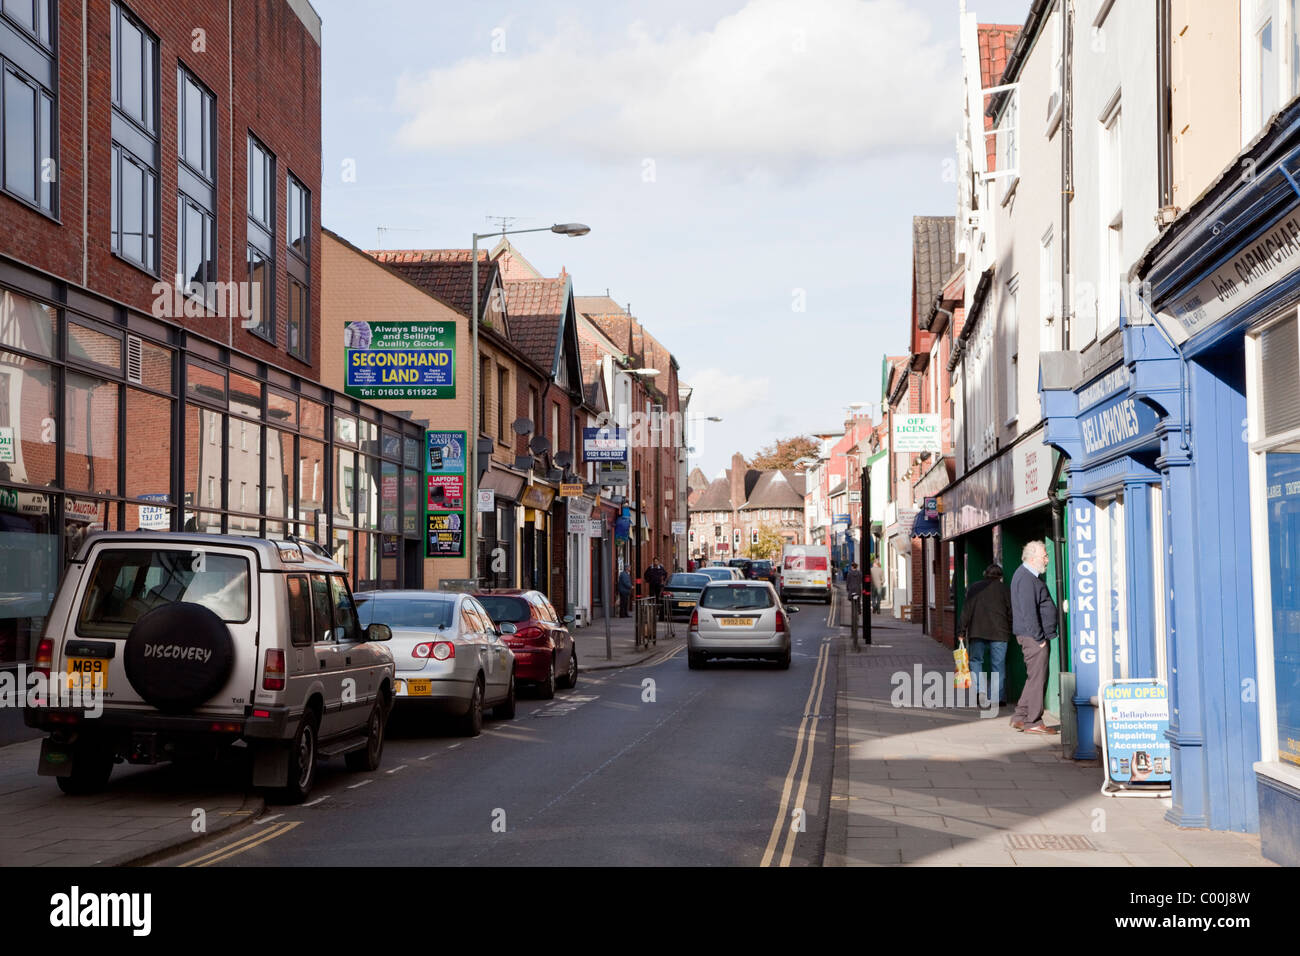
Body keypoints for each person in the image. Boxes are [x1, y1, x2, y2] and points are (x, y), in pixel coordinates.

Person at [1010, 540, 1059, 734]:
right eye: (1044, 556)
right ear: (1032, 558)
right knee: (1038, 680)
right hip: (1033, 638)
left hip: (1032, 637)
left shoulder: (1028, 576)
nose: (1047, 559)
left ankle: (1021, 716)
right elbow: (1028, 612)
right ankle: (1034, 722)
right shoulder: (1026, 578)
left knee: (1033, 678)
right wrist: (1039, 639)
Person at [959, 564, 1013, 709]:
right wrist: (1011, 629)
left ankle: (980, 693)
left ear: (985, 574)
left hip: (977, 631)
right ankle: (997, 698)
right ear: (1000, 576)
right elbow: (1011, 613)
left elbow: (966, 611)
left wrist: (961, 632)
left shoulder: (974, 588)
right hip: (1000, 633)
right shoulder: (1005, 590)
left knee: (976, 661)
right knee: (998, 666)